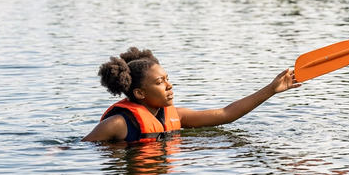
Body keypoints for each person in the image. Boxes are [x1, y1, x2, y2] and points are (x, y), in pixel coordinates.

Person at [82, 47, 301, 142]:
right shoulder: (118, 124)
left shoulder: (176, 115)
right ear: (139, 92)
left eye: (167, 78)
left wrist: (271, 89)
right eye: (160, 82)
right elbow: (81, 147)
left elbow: (226, 114)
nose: (169, 85)